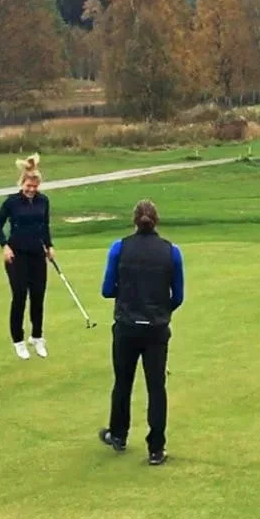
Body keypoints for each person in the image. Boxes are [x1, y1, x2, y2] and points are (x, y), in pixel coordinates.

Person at [97, 199, 184, 466]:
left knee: (122, 382)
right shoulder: (172, 251)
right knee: (156, 387)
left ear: (134, 221)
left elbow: (107, 290)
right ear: (156, 220)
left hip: (126, 326)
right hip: (156, 329)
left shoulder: (119, 248)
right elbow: (178, 296)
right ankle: (156, 448)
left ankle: (119, 435)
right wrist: (161, 311)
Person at [0, 153, 55, 360]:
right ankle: (18, 340)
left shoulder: (43, 201)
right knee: (20, 297)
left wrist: (49, 246)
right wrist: (5, 246)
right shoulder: (12, 202)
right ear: (22, 183)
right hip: (16, 255)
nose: (31, 190)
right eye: (28, 186)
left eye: (34, 187)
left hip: (37, 254)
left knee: (38, 297)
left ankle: (37, 337)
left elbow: (44, 226)